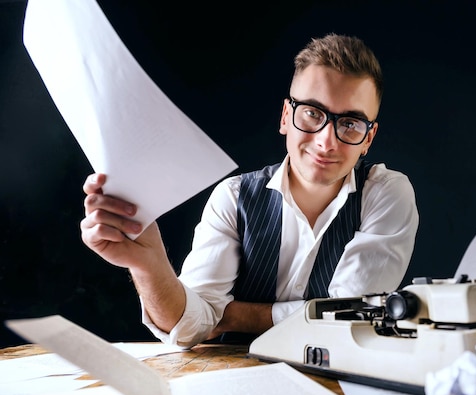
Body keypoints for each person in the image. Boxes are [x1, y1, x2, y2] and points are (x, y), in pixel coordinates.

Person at [80, 33, 419, 348]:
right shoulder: (233, 197)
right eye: (313, 113)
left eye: (349, 123)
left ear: (368, 140)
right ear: (286, 116)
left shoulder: (387, 195)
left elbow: (350, 320)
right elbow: (189, 326)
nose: (326, 141)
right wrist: (148, 264)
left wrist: (233, 315)